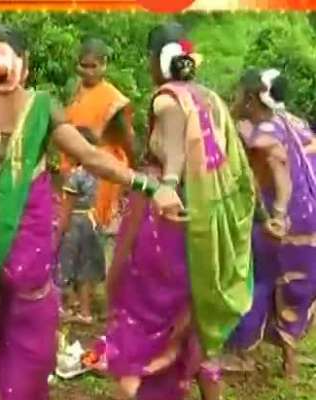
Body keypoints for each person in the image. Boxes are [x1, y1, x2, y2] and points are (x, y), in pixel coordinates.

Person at [0, 24, 183, 399]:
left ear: (23, 63)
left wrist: (152, 186)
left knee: (29, 323)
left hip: (28, 236)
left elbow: (89, 155)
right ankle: (1, 386)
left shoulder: (41, 107)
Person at [103, 23, 255, 400]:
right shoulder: (211, 100)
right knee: (191, 312)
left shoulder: (167, 99)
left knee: (144, 313)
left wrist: (167, 182)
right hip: (205, 221)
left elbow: (173, 148)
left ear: (155, 60)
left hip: (165, 222)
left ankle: (141, 382)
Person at [229, 68, 316, 378]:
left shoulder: (262, 131)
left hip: (284, 218)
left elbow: (277, 162)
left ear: (252, 97)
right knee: (290, 283)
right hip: (309, 216)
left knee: (261, 279)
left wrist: (278, 212)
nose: (236, 99)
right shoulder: (296, 123)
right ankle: (289, 360)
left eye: (240, 93)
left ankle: (245, 354)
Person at [62, 38, 135, 232]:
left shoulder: (114, 99)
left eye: (93, 66)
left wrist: (131, 175)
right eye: (83, 66)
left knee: (94, 229)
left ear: (104, 65)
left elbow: (126, 138)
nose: (88, 71)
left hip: (101, 168)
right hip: (73, 165)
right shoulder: (73, 90)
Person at [57, 128, 106, 324]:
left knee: (66, 263)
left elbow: (67, 208)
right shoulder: (99, 174)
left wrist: (59, 232)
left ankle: (64, 307)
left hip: (75, 223)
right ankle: (85, 312)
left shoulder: (75, 176)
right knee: (87, 267)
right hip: (93, 222)